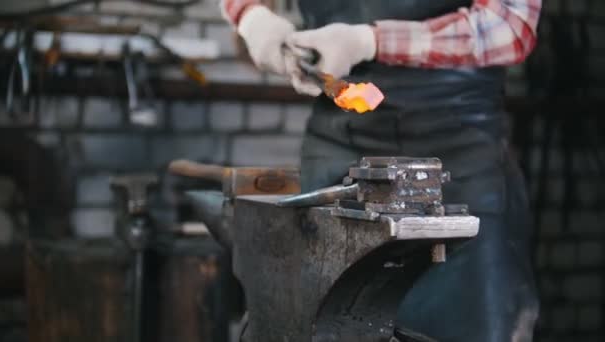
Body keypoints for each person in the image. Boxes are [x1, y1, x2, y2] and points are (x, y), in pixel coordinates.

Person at [221, 0, 542, 340]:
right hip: (338, 151)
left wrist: (368, 41)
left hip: (455, 151)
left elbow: (510, 25)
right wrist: (251, 17)